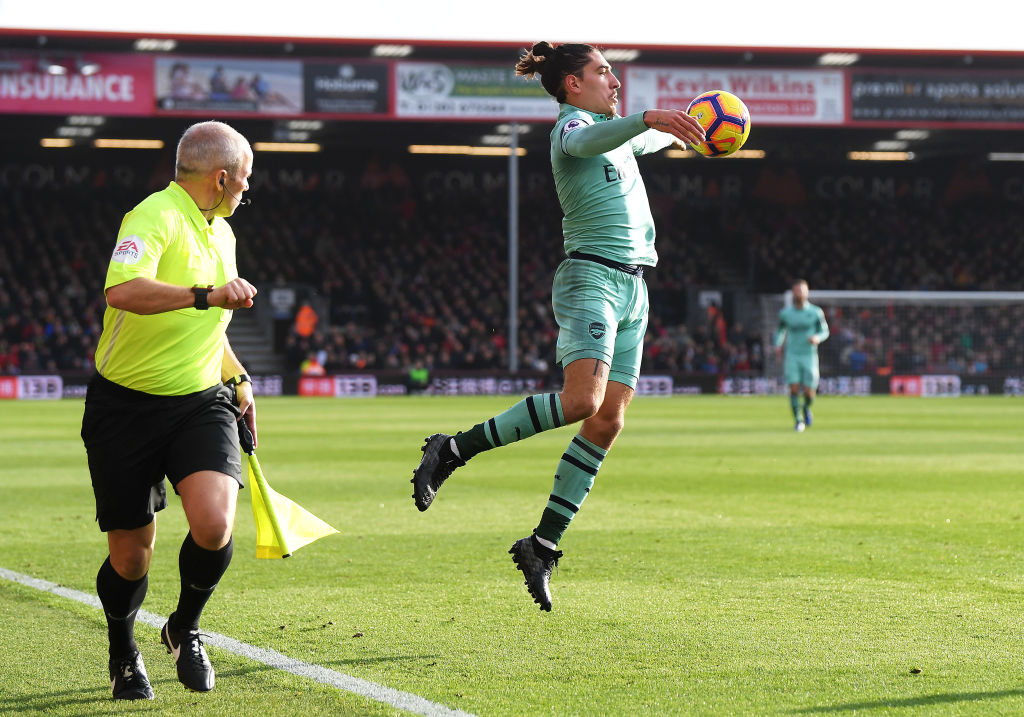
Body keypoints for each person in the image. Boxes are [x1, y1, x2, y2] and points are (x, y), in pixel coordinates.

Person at [409, 41, 705, 611]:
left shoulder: (615, 133)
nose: (614, 80)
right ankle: (451, 449)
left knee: (608, 421)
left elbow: (651, 137)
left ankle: (542, 546)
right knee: (581, 403)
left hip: (635, 287)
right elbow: (598, 137)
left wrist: (695, 126)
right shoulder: (571, 130)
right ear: (573, 83)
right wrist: (646, 117)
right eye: (602, 71)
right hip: (592, 277)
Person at [80, 120, 258, 700]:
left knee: (214, 523)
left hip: (200, 402)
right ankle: (123, 650)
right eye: (245, 180)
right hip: (124, 408)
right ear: (222, 176)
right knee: (131, 558)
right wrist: (206, 294)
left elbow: (211, 327)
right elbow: (122, 291)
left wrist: (238, 376)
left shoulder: (223, 233)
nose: (247, 192)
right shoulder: (152, 216)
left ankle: (184, 627)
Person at [774, 279, 829, 431]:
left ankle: (806, 407)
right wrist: (777, 344)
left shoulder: (815, 312)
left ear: (807, 293)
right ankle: (798, 420)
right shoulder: (786, 314)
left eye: (802, 291)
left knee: (810, 391)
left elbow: (825, 331)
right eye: (797, 291)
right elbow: (780, 330)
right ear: (793, 293)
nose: (799, 293)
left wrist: (817, 338)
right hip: (792, 354)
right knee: (793, 387)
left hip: (809, 355)